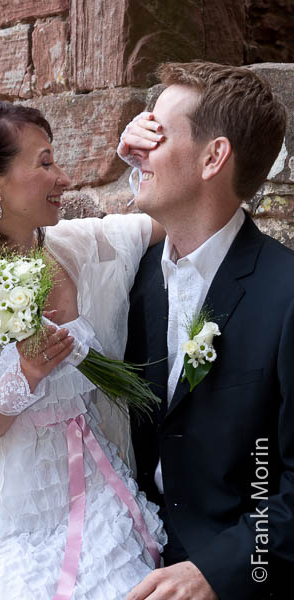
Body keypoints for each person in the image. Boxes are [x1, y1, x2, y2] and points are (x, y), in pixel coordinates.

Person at [0, 100, 167, 600]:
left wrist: (146, 161)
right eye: (45, 162)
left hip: (96, 501)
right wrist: (24, 376)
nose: (64, 178)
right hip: (12, 520)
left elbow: (165, 224)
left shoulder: (74, 248)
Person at [117, 62, 293, 599]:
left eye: (158, 131)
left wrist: (219, 572)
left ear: (214, 156)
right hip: (127, 556)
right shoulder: (133, 277)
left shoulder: (286, 293)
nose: (139, 145)